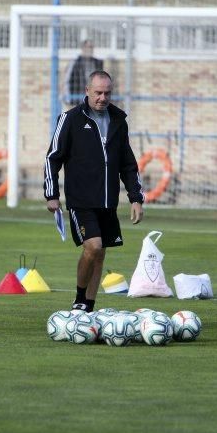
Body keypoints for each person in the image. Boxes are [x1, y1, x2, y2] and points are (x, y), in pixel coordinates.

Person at [44, 70, 144, 312]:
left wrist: (135, 198)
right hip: (81, 200)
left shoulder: (119, 121)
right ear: (87, 91)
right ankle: (79, 299)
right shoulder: (69, 119)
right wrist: (52, 194)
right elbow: (52, 158)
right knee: (93, 246)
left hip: (108, 201)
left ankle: (89, 305)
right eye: (98, 92)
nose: (102, 97)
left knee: (100, 254)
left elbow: (128, 164)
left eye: (107, 93)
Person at [64, 39, 103, 104]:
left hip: (93, 101)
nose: (89, 49)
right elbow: (67, 81)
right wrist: (69, 100)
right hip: (77, 100)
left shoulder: (98, 63)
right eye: (87, 47)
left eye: (91, 47)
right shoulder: (75, 63)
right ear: (83, 48)